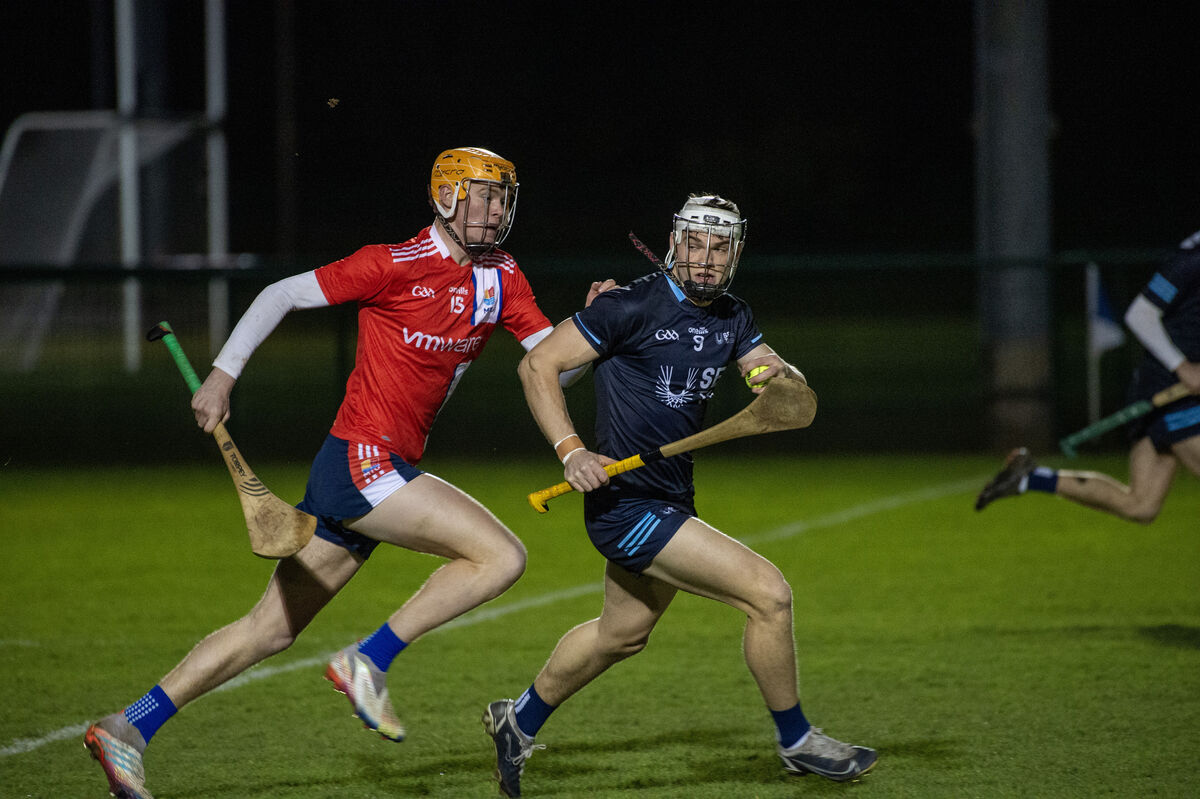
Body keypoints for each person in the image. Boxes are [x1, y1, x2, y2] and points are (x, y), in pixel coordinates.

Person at [84, 147, 611, 799]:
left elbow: (553, 365)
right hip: (361, 459)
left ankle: (125, 728)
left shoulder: (502, 276)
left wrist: (591, 329)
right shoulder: (391, 263)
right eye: (483, 194)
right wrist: (224, 372)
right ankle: (370, 658)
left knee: (269, 629)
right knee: (501, 555)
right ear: (446, 196)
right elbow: (281, 293)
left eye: (504, 197)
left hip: (381, 469)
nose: (496, 209)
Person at [481, 194, 877, 797]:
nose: (706, 257)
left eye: (720, 246)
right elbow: (537, 367)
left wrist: (776, 378)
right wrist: (572, 451)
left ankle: (519, 721)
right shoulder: (629, 306)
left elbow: (760, 363)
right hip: (627, 505)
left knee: (622, 635)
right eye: (695, 242)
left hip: (671, 493)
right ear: (674, 243)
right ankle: (797, 742)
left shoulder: (733, 317)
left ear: (735, 254)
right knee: (769, 597)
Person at [976, 229, 1200, 519]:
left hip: (1180, 392)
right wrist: (1183, 367)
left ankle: (1030, 477)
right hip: (1170, 389)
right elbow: (1140, 314)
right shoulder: (1190, 262)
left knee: (1141, 506)